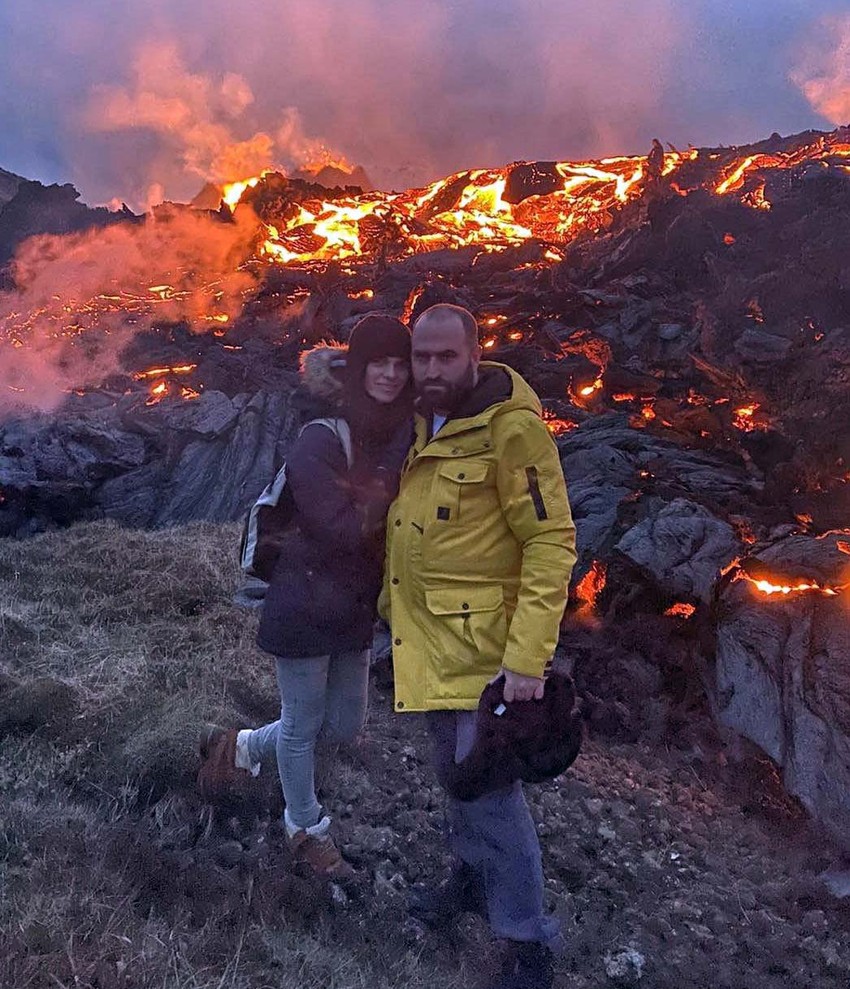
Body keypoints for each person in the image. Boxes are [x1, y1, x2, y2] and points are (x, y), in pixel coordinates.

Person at [380, 304, 576, 989]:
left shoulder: (511, 431)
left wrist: (527, 658)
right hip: (429, 642)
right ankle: (469, 876)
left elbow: (550, 540)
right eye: (421, 357)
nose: (431, 369)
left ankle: (526, 942)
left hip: (485, 655)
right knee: (453, 775)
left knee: (492, 793)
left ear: (474, 354)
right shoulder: (421, 418)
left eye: (445, 357)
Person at [200, 313, 413, 877]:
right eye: (379, 364)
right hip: (305, 599)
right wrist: (394, 464)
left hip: (354, 605)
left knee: (343, 725)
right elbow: (340, 527)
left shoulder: (399, 427)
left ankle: (242, 747)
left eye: (400, 364)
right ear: (358, 368)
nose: (390, 375)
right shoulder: (320, 436)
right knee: (301, 723)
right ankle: (304, 829)